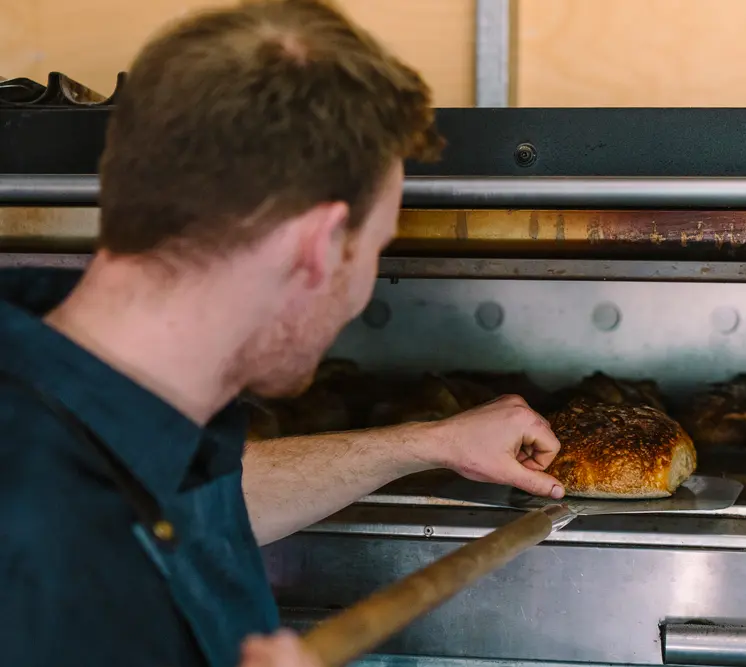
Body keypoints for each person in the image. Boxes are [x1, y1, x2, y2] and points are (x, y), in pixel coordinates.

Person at [0, 1, 564, 666]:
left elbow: (208, 501)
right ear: (318, 245)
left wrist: (430, 441)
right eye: (377, 246)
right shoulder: (40, 544)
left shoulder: (94, 392)